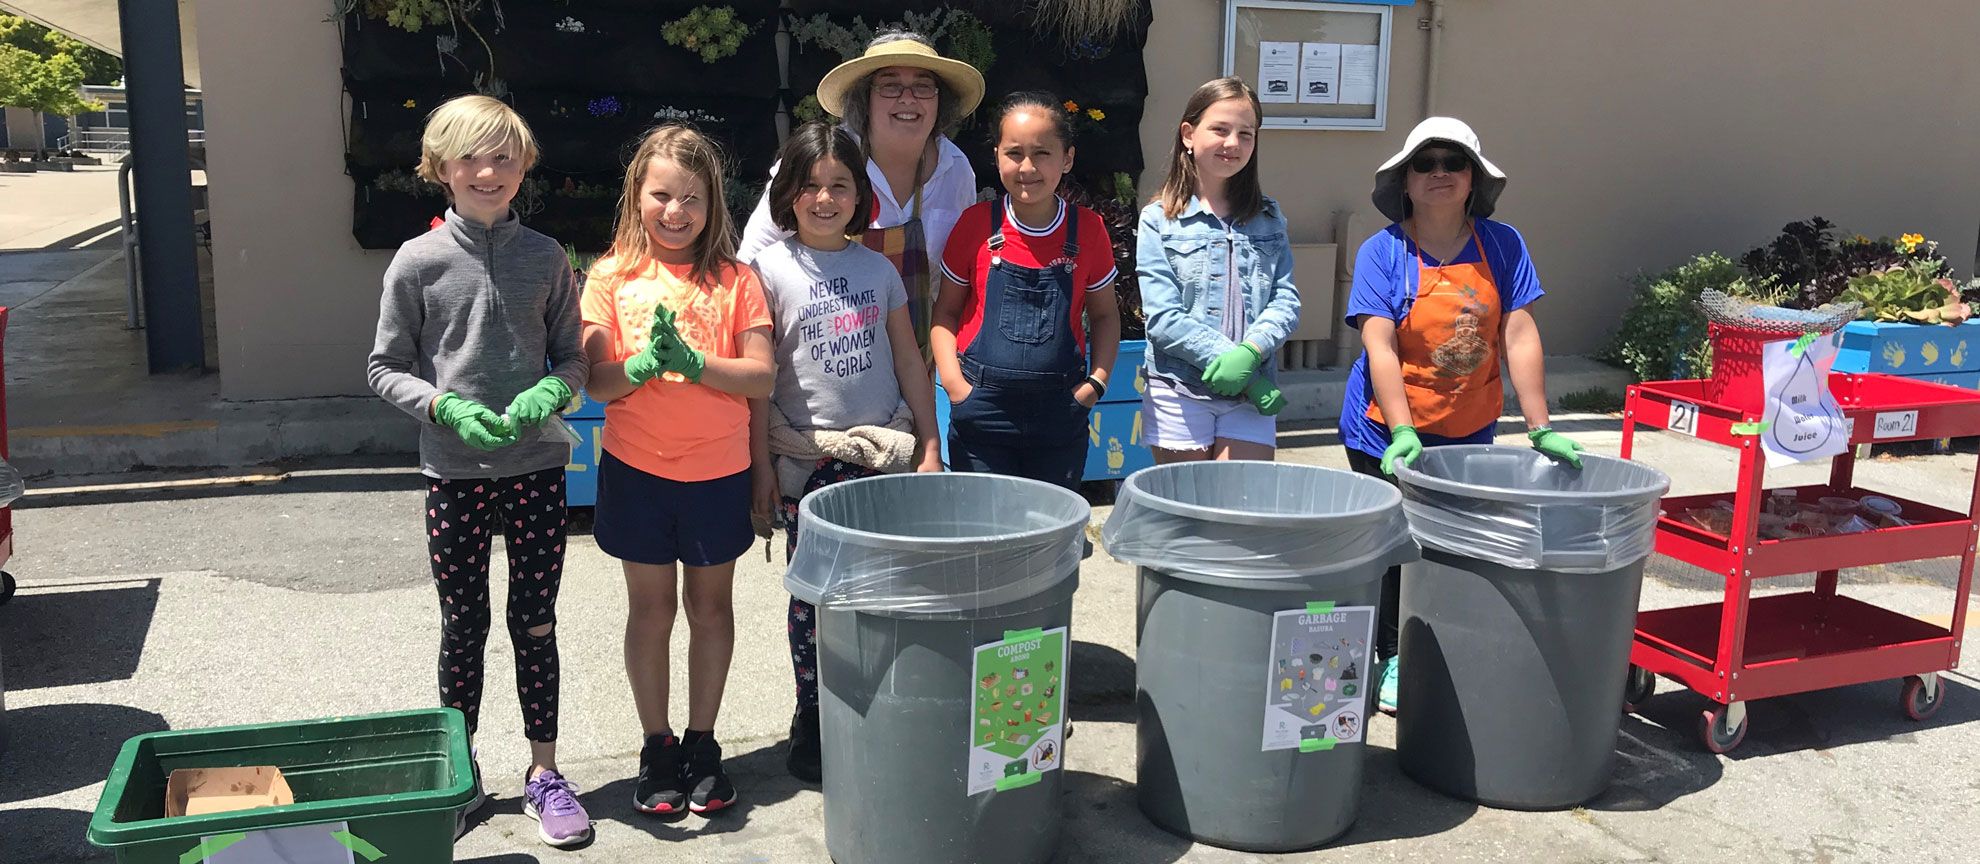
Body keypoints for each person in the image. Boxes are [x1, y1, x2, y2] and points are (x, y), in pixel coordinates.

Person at [365, 94, 592, 847]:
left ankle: (545, 772)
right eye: (470, 157)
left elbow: (574, 356)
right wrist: (441, 409)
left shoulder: (547, 257)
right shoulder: (418, 262)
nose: (487, 171)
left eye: (503, 157)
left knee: (536, 621)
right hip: (454, 474)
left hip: (536, 468)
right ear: (439, 169)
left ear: (525, 166)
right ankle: (460, 776)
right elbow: (384, 366)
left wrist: (553, 390)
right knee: (463, 624)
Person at [1339, 116, 1584, 714]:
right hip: (1382, 429)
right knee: (1395, 548)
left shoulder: (1503, 246)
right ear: (1406, 180)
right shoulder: (1384, 251)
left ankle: (1443, 644)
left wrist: (1540, 425)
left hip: (1468, 428)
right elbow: (1380, 346)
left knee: (1448, 544)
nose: (1440, 173)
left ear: (1475, 178)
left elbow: (1519, 334)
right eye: (1426, 163)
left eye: (1454, 162)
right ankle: (1391, 657)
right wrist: (1400, 428)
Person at [580, 124, 775, 816]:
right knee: (652, 609)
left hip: (718, 474)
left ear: (712, 202)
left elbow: (759, 377)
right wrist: (636, 367)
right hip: (638, 475)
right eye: (661, 194)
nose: (675, 211)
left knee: (711, 607)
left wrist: (696, 365)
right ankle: (657, 743)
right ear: (637, 195)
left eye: (691, 198)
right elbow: (595, 383)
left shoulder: (737, 280)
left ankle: (703, 740)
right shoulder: (609, 277)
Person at [745, 122, 944, 782]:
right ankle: (815, 715)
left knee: (886, 595)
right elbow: (758, 384)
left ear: (861, 196)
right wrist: (762, 471)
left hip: (883, 458)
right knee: (814, 601)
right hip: (808, 464)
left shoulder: (878, 268)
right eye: (810, 186)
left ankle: (881, 707)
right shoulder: (765, 273)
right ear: (789, 195)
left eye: (840, 186)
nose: (824, 199)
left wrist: (930, 441)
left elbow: (911, 360)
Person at [738, 31, 985, 359]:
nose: (908, 99)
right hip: (820, 362)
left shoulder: (956, 170)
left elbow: (958, 278)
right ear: (864, 98)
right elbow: (752, 262)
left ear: (941, 99)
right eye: (890, 85)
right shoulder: (821, 160)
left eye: (923, 86)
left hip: (915, 363)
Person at [931, 91, 1121, 489]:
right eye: (1014, 153)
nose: (1027, 167)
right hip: (981, 408)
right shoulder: (975, 225)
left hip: (1060, 410)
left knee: (1049, 534)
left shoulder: (1089, 230)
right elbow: (946, 312)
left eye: (1043, 153)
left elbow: (1104, 316)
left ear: (1067, 158)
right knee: (983, 532)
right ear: (996, 156)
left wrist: (1096, 384)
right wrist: (955, 386)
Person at [1136, 77, 1298, 462]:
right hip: (1178, 389)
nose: (1233, 144)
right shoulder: (1159, 220)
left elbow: (1285, 299)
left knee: (1241, 510)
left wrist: (1250, 353)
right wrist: (1235, 364)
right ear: (1189, 135)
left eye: (1246, 134)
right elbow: (1162, 317)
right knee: (1188, 512)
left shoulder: (1269, 218)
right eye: (1220, 129)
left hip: (1250, 395)